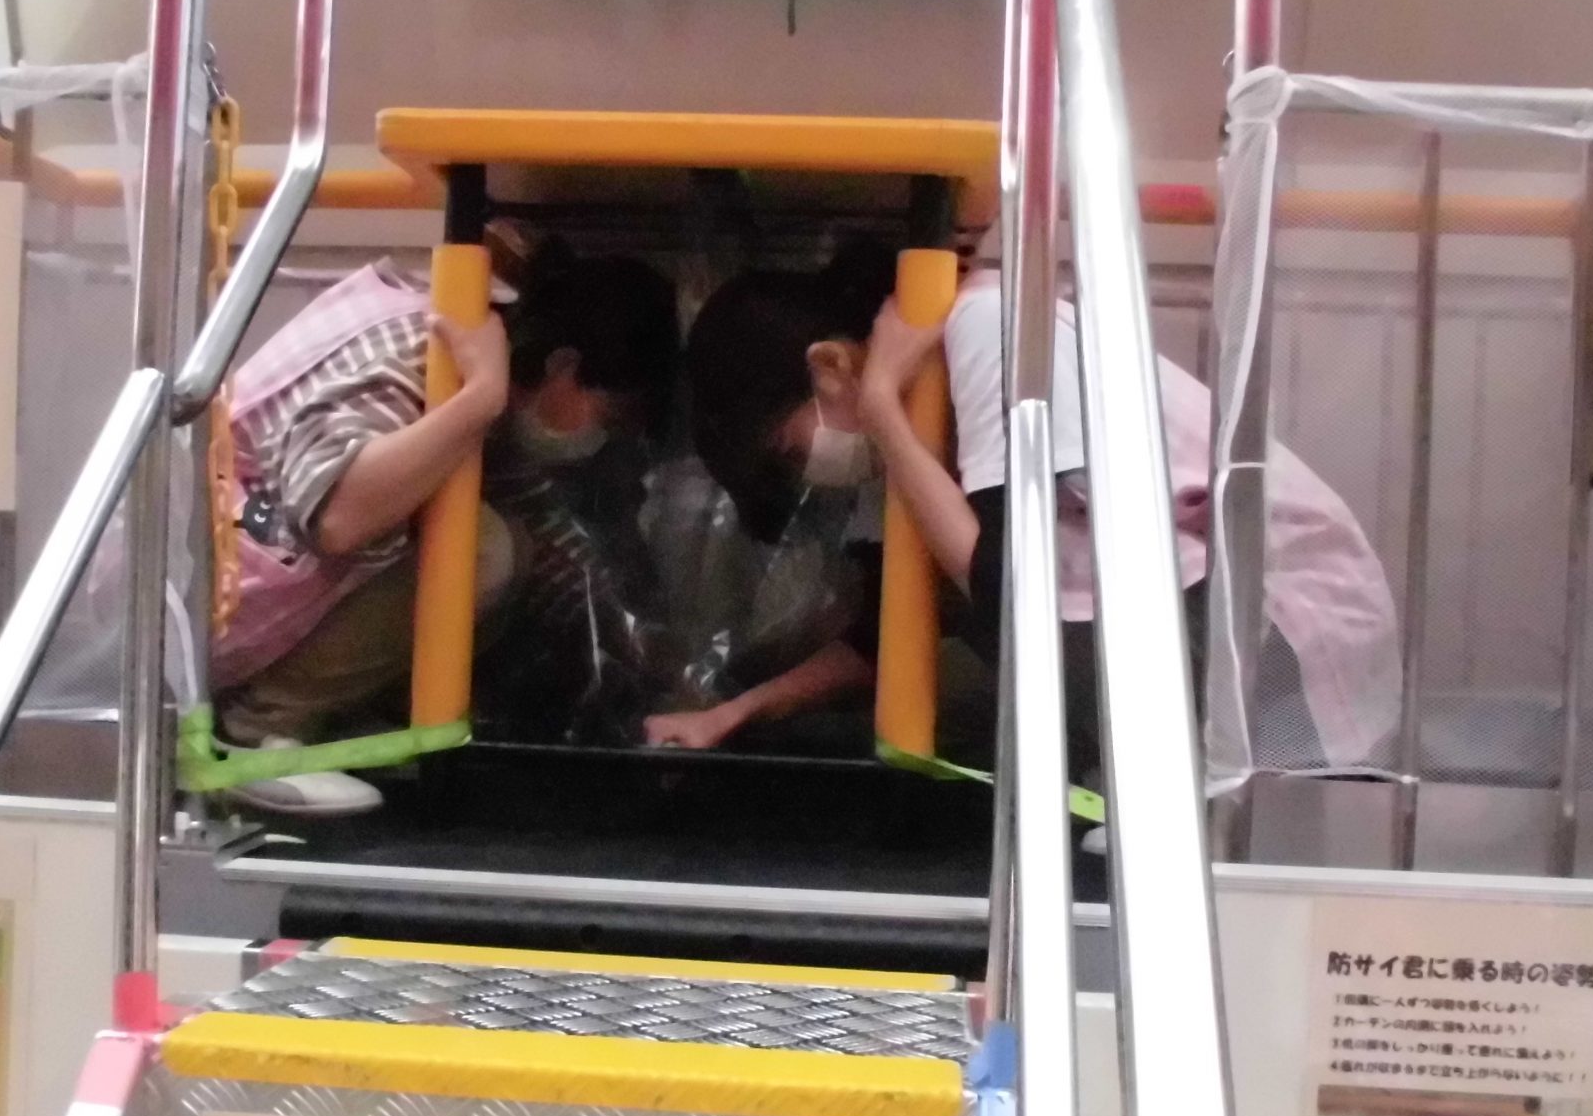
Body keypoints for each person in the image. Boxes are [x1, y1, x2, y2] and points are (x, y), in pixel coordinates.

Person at [647, 236, 1399, 776]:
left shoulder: (985, 328)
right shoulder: (929, 406)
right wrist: (736, 713)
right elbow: (899, 623)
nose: (809, 469)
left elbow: (1006, 591)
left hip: (1278, 626)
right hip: (1220, 623)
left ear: (830, 365)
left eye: (788, 449)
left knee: (1006, 667)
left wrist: (878, 408)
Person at [212, 240, 680, 814]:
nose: (602, 440)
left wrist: (640, 654)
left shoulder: (489, 377)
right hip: (210, 604)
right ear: (564, 368)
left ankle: (324, 717)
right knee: (480, 547)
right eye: (610, 417)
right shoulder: (422, 352)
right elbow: (335, 515)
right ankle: (253, 731)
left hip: (256, 601)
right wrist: (478, 401)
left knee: (509, 546)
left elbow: (548, 536)